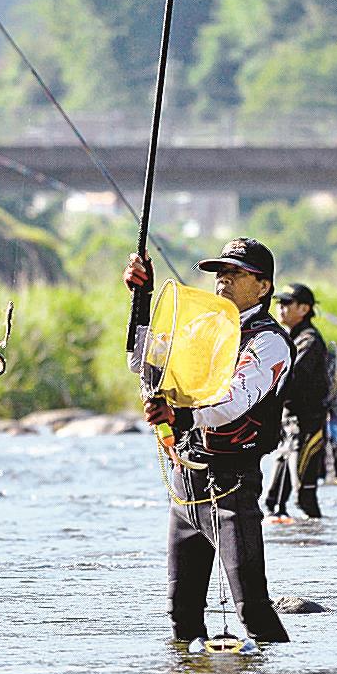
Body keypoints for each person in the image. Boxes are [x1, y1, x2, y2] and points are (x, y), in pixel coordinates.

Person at [124, 238, 294, 644]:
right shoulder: (201, 329)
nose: (223, 280)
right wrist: (141, 298)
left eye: (236, 273)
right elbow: (141, 361)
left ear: (264, 286)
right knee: (180, 615)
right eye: (220, 273)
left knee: (252, 608)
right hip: (186, 484)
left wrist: (179, 415)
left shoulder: (269, 342)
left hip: (231, 486)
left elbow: (233, 400)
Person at [264, 284, 329, 520]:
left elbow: (290, 380)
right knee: (274, 502)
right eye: (278, 303)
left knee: (305, 499)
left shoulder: (309, 341)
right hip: (288, 425)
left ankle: (319, 546)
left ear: (304, 308)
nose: (280, 308)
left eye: (287, 303)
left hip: (308, 427)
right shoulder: (290, 338)